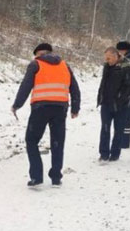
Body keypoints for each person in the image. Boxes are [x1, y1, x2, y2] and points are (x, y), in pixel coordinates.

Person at [12, 43, 81, 188]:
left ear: (38, 53)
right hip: (60, 108)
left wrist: (17, 105)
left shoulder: (36, 64)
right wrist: (75, 108)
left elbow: (25, 86)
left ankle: (37, 178)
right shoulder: (65, 65)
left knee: (31, 140)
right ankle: (56, 178)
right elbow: (74, 88)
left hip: (40, 108)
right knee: (58, 142)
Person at [97, 47, 130, 162]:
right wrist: (100, 97)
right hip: (106, 103)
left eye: (109, 58)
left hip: (120, 105)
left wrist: (120, 99)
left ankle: (115, 154)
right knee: (105, 129)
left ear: (116, 56)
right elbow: (104, 83)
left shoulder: (126, 67)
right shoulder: (107, 66)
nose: (107, 60)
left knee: (118, 130)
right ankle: (104, 154)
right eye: (105, 58)